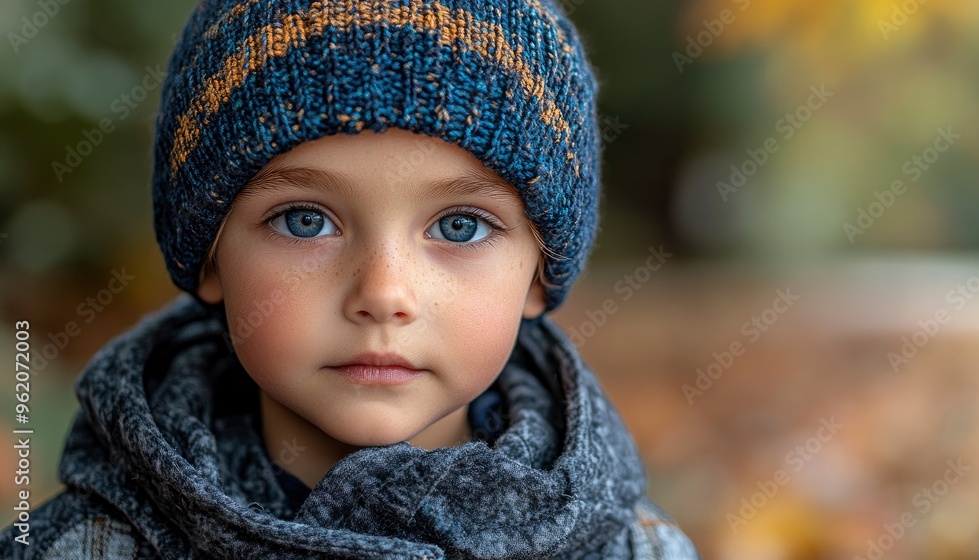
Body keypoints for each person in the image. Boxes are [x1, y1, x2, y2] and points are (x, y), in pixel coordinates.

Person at [2, 0, 699, 558]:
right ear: (209, 255)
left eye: (459, 227)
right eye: (305, 221)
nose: (383, 294)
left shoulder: (638, 549)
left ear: (539, 276)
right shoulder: (84, 545)